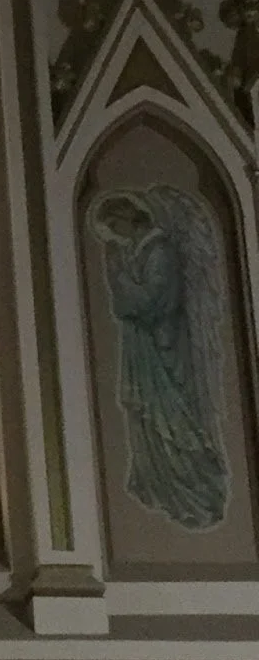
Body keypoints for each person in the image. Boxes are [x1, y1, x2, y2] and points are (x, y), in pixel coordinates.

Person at [91, 186, 231, 530]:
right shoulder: (138, 250)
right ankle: (158, 485)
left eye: (115, 226)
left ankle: (195, 492)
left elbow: (156, 302)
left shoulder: (161, 250)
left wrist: (118, 276)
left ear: (128, 217)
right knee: (146, 418)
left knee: (172, 418)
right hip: (143, 347)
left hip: (166, 347)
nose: (115, 235)